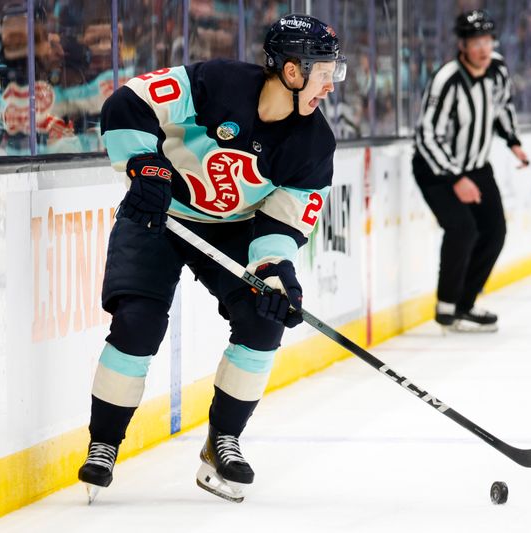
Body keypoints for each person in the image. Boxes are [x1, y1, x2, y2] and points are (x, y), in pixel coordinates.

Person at [77, 14, 345, 503]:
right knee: (137, 323)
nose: (330, 83)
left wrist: (275, 272)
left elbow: (283, 222)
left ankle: (223, 441)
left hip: (230, 230)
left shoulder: (313, 143)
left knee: (263, 323)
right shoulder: (213, 83)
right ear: (290, 71)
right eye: (323, 70)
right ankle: (104, 444)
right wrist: (147, 166)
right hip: (158, 213)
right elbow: (128, 102)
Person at [412, 9, 528, 333]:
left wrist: (513, 141)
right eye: (475, 41)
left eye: (487, 40)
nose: (483, 48)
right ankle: (447, 307)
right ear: (462, 44)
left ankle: (465, 304)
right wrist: (455, 179)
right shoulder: (446, 79)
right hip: (435, 169)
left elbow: (503, 106)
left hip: (477, 166)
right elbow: (426, 135)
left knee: (495, 232)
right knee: (462, 229)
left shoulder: (498, 68)